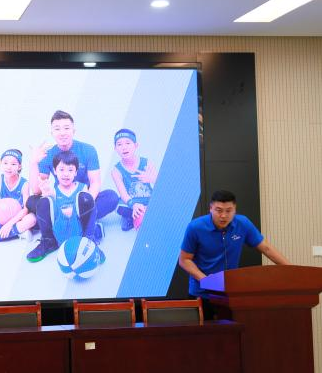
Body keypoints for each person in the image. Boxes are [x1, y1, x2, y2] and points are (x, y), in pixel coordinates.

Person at [179, 190, 290, 318]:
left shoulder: (243, 223)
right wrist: (206, 280)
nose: (223, 216)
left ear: (235, 210)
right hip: (201, 293)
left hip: (230, 293)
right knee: (204, 331)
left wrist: (292, 269)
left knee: (232, 329)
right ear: (210, 209)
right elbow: (184, 260)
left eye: (228, 211)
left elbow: (266, 248)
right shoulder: (195, 227)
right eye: (219, 210)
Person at [26, 110, 118, 262]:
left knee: (111, 197)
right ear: (52, 132)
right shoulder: (47, 154)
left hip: (84, 201)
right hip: (60, 200)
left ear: (73, 130)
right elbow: (36, 190)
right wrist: (33, 163)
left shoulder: (88, 150)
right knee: (32, 201)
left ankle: (87, 235)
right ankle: (50, 240)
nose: (62, 132)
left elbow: (95, 182)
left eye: (66, 128)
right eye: (57, 128)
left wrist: (80, 205)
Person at [32, 150, 105, 263]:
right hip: (60, 231)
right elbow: (53, 215)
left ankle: (90, 239)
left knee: (88, 199)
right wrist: (49, 195)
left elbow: (88, 209)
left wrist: (73, 211)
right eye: (61, 170)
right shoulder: (53, 190)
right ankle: (48, 241)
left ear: (76, 172)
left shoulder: (82, 187)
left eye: (70, 170)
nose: (66, 174)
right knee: (42, 202)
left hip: (79, 230)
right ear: (55, 171)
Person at [111, 129, 157, 231]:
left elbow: (162, 186)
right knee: (118, 206)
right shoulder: (116, 171)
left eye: (128, 143)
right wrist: (134, 205)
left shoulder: (147, 163)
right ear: (115, 148)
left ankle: (140, 215)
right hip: (132, 202)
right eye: (119, 144)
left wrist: (152, 179)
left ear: (136, 145)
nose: (124, 147)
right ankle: (131, 216)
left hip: (149, 200)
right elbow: (123, 194)